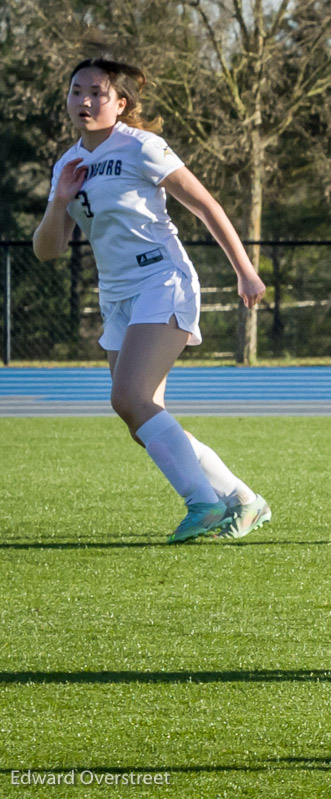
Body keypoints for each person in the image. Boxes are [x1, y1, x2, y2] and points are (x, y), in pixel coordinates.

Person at [32, 58, 272, 544]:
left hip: (163, 280)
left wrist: (245, 270)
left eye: (96, 93)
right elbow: (48, 250)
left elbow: (206, 204)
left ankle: (202, 504)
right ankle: (243, 499)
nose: (83, 101)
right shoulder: (68, 164)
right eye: (76, 91)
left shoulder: (142, 146)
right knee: (140, 419)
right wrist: (59, 200)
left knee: (129, 397)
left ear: (120, 104)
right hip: (117, 295)